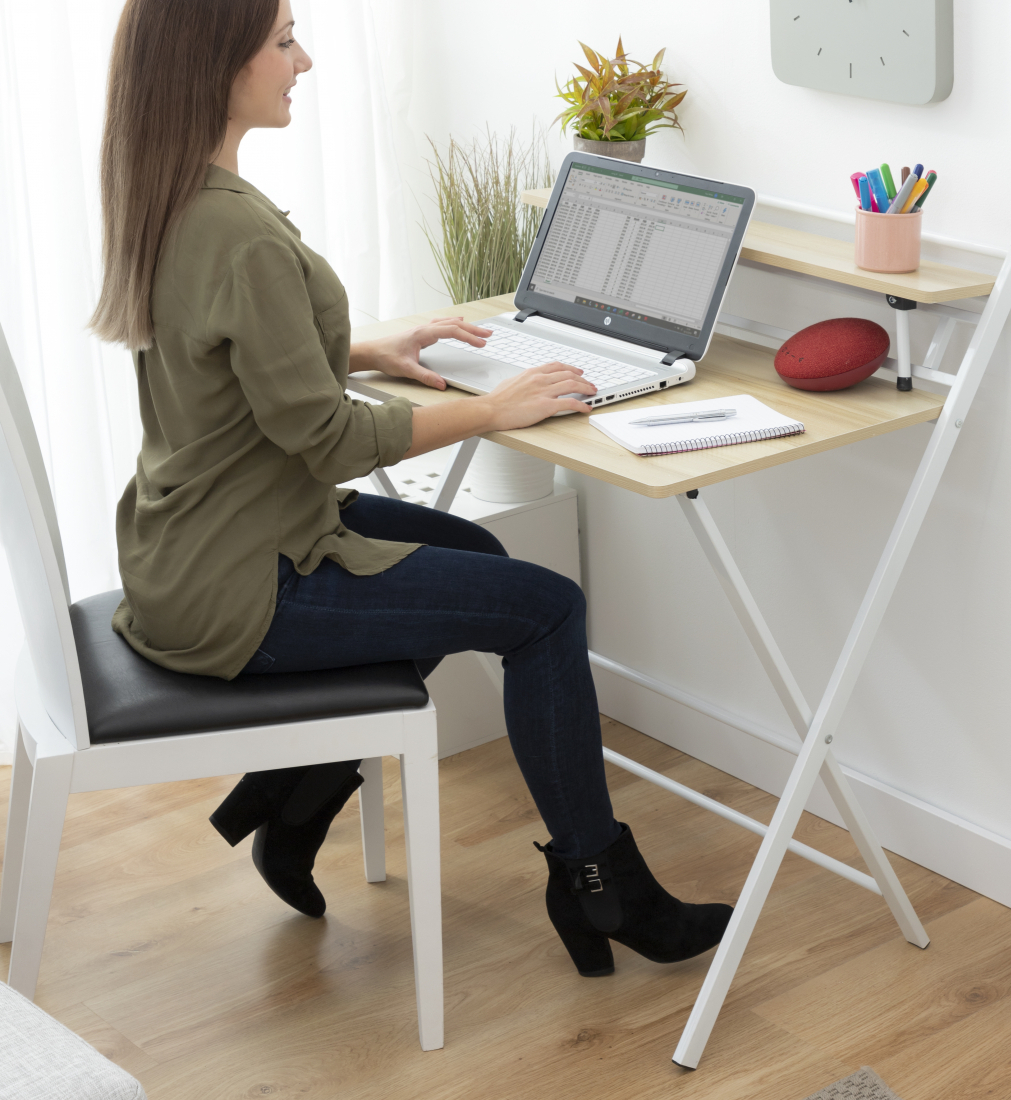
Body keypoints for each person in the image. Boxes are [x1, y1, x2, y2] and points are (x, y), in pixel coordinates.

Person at [91, 0, 732, 979]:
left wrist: (358, 347)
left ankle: (294, 796)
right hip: (249, 582)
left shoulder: (170, 196)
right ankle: (599, 884)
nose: (301, 60)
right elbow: (325, 435)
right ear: (216, 63)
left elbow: (223, 354)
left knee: (474, 560)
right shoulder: (238, 231)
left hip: (190, 549)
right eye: (281, 41)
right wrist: (493, 408)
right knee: (547, 608)